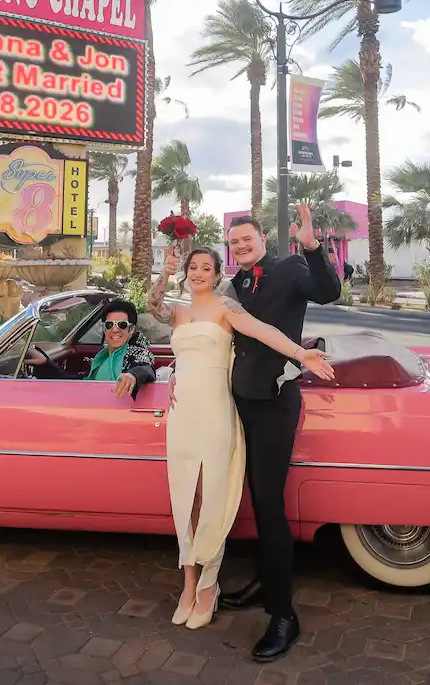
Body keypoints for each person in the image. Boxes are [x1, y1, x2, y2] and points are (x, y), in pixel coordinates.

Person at [148, 246, 333, 635]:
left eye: (206, 268)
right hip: (181, 416)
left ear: (217, 275)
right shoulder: (179, 310)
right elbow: (153, 306)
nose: (198, 273)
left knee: (209, 495)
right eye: (192, 267)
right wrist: (161, 273)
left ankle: (209, 584)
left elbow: (263, 332)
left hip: (216, 412)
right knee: (186, 498)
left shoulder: (226, 308)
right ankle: (188, 584)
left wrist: (303, 354)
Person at [218, 205, 341, 660]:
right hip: (239, 400)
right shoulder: (236, 284)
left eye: (246, 239)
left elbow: (328, 292)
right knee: (251, 495)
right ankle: (267, 579)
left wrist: (311, 245)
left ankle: (283, 615)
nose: (241, 246)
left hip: (274, 402)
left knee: (269, 504)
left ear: (263, 239)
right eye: (234, 243)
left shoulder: (290, 268)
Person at [21, 298, 154, 398]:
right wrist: (45, 364)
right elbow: (80, 384)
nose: (115, 330)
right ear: (104, 328)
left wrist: (133, 375)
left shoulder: (137, 353)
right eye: (109, 325)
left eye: (122, 325)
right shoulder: (102, 358)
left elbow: (146, 369)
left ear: (131, 329)